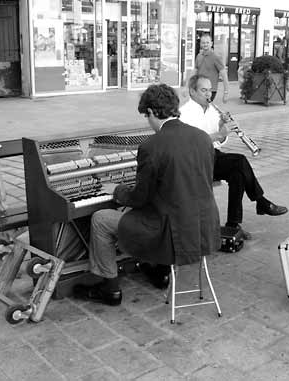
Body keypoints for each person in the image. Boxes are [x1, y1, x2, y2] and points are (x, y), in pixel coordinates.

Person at [74, 84, 221, 305]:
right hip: (203, 227)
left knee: (101, 220)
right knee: (141, 212)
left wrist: (117, 190)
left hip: (172, 233)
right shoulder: (202, 138)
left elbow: (139, 199)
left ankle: (110, 289)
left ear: (152, 112)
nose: (148, 121)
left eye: (147, 116)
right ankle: (154, 267)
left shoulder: (152, 146)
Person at [180, 74, 288, 239]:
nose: (209, 94)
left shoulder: (211, 110)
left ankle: (233, 225)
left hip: (211, 155)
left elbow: (221, 141)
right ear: (192, 92)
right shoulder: (185, 113)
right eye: (204, 90)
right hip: (194, 161)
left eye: (210, 90)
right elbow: (192, 143)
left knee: (237, 174)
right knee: (239, 161)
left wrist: (223, 126)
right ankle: (261, 201)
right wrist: (218, 134)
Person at [192, 33, 229, 103]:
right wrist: (188, 86)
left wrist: (226, 93)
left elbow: (224, 75)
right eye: (203, 43)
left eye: (207, 42)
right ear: (200, 44)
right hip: (199, 89)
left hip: (210, 90)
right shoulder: (199, 56)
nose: (205, 44)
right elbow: (195, 72)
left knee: (203, 109)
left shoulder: (215, 57)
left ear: (211, 43)